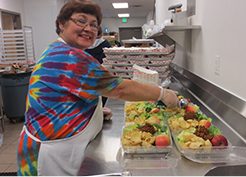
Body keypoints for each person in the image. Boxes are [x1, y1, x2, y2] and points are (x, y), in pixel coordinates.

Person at [17, 0, 180, 176]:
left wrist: (87, 111)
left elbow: (61, 95)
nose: (88, 28)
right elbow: (120, 89)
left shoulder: (57, 49)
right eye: (81, 21)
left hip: (42, 144)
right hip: (51, 156)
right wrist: (162, 93)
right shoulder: (71, 57)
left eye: (94, 25)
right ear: (61, 24)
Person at [85, 27, 111, 106]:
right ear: (101, 34)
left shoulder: (83, 44)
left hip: (87, 76)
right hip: (102, 75)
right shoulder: (105, 44)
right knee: (103, 97)